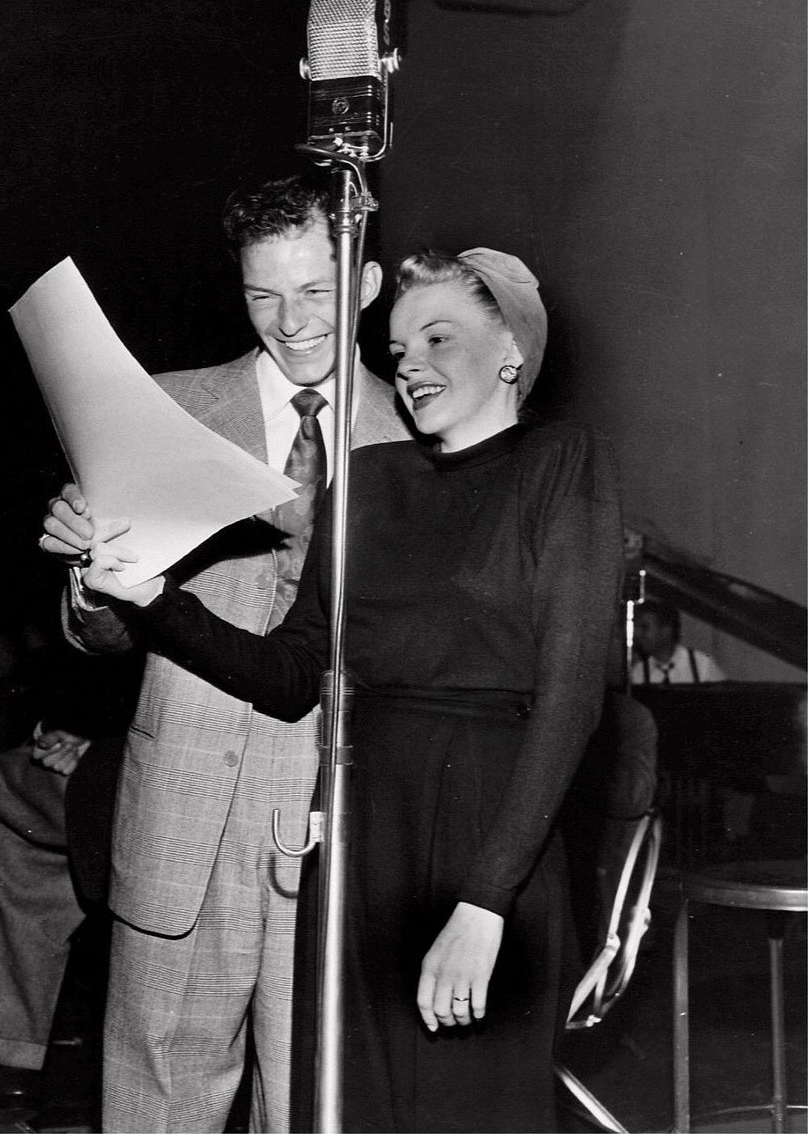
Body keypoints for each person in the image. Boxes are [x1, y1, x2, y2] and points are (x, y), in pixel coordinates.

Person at [72, 247, 624, 1133]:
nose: (410, 365)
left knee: (468, 1111)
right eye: (398, 348)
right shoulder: (364, 483)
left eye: (439, 338)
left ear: (512, 350)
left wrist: (485, 902)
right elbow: (291, 673)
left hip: (491, 834)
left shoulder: (561, 461)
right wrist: (152, 598)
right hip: (362, 839)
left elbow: (571, 702)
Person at [38, 176, 410, 1133]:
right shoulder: (165, 409)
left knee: (316, 1103)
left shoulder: (422, 437)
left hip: (339, 817)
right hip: (182, 806)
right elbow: (100, 638)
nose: (291, 322)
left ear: (367, 285)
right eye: (262, 295)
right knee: (154, 1098)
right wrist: (93, 583)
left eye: (317, 290)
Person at [0, 663, 133, 1121]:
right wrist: (75, 741)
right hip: (118, 771)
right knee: (7, 846)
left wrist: (97, 754)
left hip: (160, 784)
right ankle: (7, 1061)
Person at [630, 598, 726, 684]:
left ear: (666, 630)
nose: (637, 634)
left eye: (644, 627)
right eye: (636, 627)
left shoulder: (702, 666)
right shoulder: (638, 672)